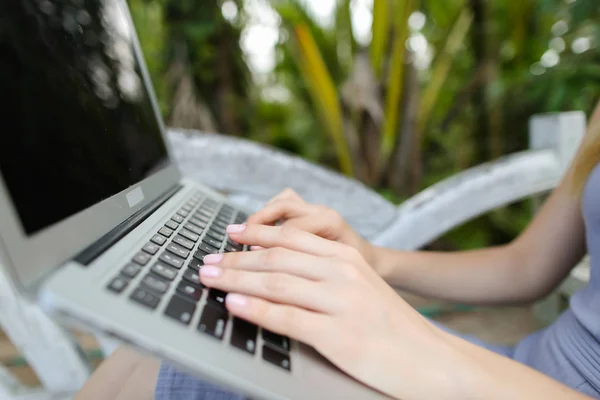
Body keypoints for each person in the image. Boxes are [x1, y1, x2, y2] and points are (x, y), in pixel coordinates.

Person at [75, 103, 600, 400]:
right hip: (512, 367)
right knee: (181, 333)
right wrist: (374, 260)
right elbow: (527, 266)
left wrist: (423, 353)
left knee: (183, 374)